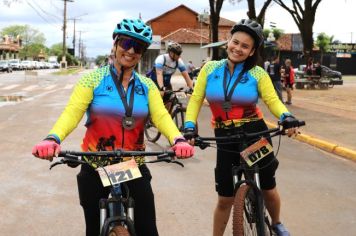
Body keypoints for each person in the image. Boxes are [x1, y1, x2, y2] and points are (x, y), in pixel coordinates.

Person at [32, 18, 194, 236]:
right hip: (95, 163)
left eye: (138, 47)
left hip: (131, 163)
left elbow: (162, 116)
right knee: (94, 229)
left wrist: (178, 139)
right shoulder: (93, 79)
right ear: (115, 43)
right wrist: (53, 138)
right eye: (126, 43)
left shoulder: (147, 86)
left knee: (148, 229)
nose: (131, 51)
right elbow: (72, 113)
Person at [183, 19, 301, 236]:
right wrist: (189, 127)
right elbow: (196, 100)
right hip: (224, 136)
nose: (238, 48)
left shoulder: (257, 73)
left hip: (254, 133)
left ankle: (276, 223)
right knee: (225, 197)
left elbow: (272, 100)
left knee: (267, 186)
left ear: (252, 51)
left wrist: (286, 116)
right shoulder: (210, 69)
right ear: (228, 41)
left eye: (245, 46)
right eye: (235, 42)